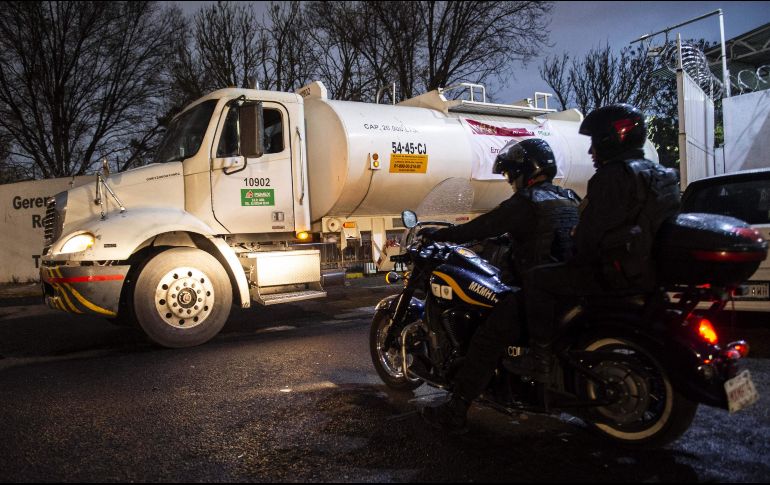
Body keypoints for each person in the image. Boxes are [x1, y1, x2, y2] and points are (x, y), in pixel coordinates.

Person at [420, 138, 581, 433]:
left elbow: (485, 224)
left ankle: (456, 411)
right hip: (566, 290)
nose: (511, 183)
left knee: (486, 340)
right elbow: (550, 235)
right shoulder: (568, 196)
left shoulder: (526, 202)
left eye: (511, 176)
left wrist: (442, 235)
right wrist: (505, 240)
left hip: (534, 294)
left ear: (524, 171)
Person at [522, 103, 681, 386]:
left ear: (610, 139)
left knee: (537, 278)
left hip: (614, 275)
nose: (590, 151)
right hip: (650, 274)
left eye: (594, 142)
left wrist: (573, 244)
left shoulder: (612, 177)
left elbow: (588, 239)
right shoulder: (664, 174)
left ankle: (540, 361)